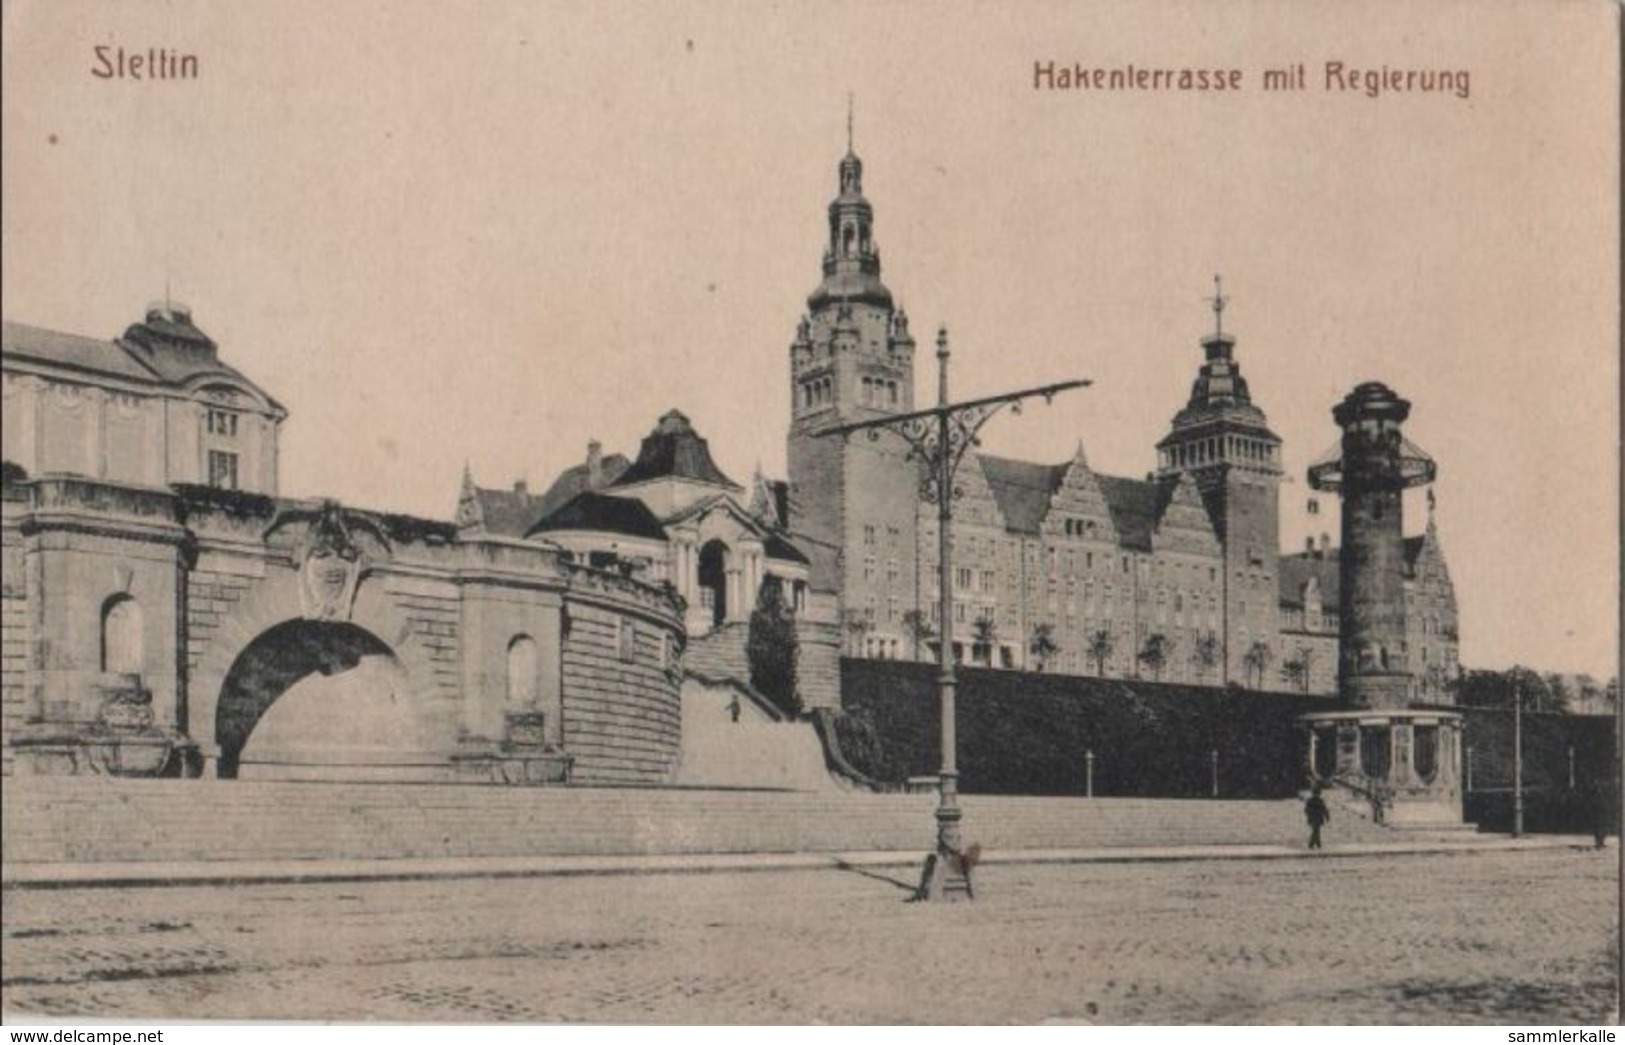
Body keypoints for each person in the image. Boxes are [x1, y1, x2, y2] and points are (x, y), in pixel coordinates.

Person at [1305, 783, 1330, 850]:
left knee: (1315, 830)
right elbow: (1324, 809)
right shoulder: (1320, 800)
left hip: (1313, 817)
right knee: (1316, 830)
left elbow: (1306, 810)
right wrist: (1327, 817)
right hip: (1318, 818)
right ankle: (1314, 844)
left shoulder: (1310, 800)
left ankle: (1315, 843)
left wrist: (1309, 815)